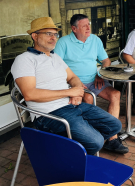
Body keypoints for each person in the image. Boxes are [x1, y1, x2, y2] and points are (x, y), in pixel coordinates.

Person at [11, 17, 123, 155]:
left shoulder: (54, 57)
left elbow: (72, 77)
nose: (53, 38)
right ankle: (63, 155)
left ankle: (70, 146)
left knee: (115, 125)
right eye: (48, 34)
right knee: (96, 142)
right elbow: (30, 94)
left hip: (72, 105)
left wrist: (77, 91)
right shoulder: (24, 59)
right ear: (34, 36)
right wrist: (69, 92)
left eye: (55, 34)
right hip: (49, 114)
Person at [54, 14, 127, 154]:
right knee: (88, 98)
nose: (88, 28)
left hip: (95, 79)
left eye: (89, 24)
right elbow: (57, 67)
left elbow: (105, 60)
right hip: (75, 83)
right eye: (84, 26)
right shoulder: (63, 42)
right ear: (74, 28)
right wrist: (75, 83)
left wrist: (100, 73)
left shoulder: (95, 39)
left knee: (116, 94)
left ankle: (112, 138)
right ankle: (92, 137)